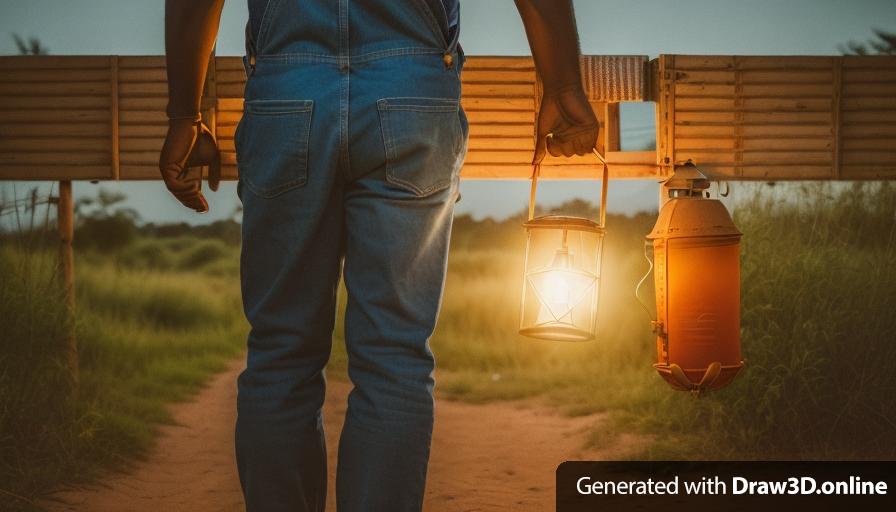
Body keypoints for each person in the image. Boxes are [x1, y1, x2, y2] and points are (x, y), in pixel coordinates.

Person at [159, 1, 598, 510]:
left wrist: (185, 115)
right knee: (394, 358)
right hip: (411, 93)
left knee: (281, 352)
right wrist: (563, 87)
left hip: (287, 90)